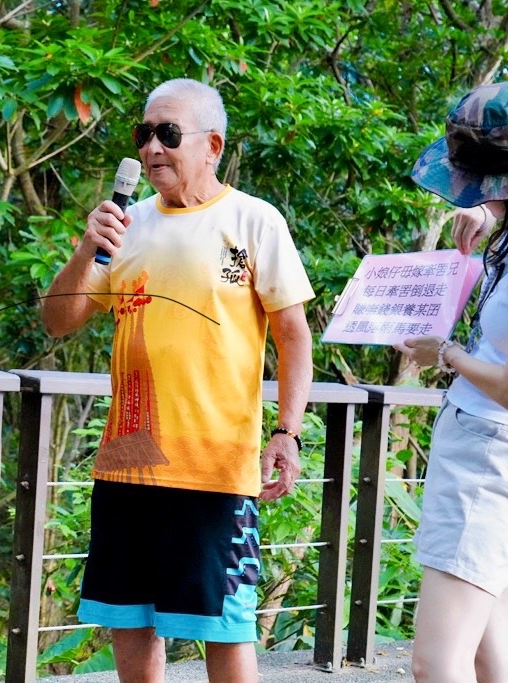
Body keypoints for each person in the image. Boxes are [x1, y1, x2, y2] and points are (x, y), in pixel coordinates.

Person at [41, 78, 314, 682]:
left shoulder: (253, 221)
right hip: (128, 457)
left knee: (222, 626)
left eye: (169, 135)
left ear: (212, 145)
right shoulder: (125, 224)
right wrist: (88, 249)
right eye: (144, 135)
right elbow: (59, 321)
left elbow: (295, 336)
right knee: (130, 621)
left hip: (216, 464)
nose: (151, 150)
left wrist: (286, 433)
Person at [395, 82, 508, 683]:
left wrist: (449, 355)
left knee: (436, 662)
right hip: (486, 447)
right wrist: (489, 212)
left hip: (487, 457)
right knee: (493, 657)